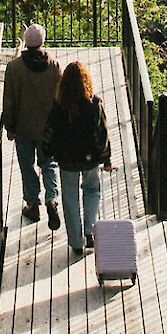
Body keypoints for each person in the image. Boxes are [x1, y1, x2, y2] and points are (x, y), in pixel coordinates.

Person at [42, 59, 113, 256]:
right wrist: (106, 159)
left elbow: (49, 131)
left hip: (66, 160)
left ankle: (75, 241)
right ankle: (90, 229)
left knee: (70, 198)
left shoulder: (59, 106)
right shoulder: (94, 104)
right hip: (89, 158)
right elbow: (102, 134)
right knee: (92, 191)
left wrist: (47, 151)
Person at [0, 23, 62, 226]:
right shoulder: (54, 66)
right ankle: (52, 198)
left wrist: (9, 126)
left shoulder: (14, 67)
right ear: (43, 41)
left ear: (25, 43)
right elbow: (60, 98)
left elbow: (9, 100)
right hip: (49, 128)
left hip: (24, 127)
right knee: (49, 163)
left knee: (27, 166)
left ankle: (32, 204)